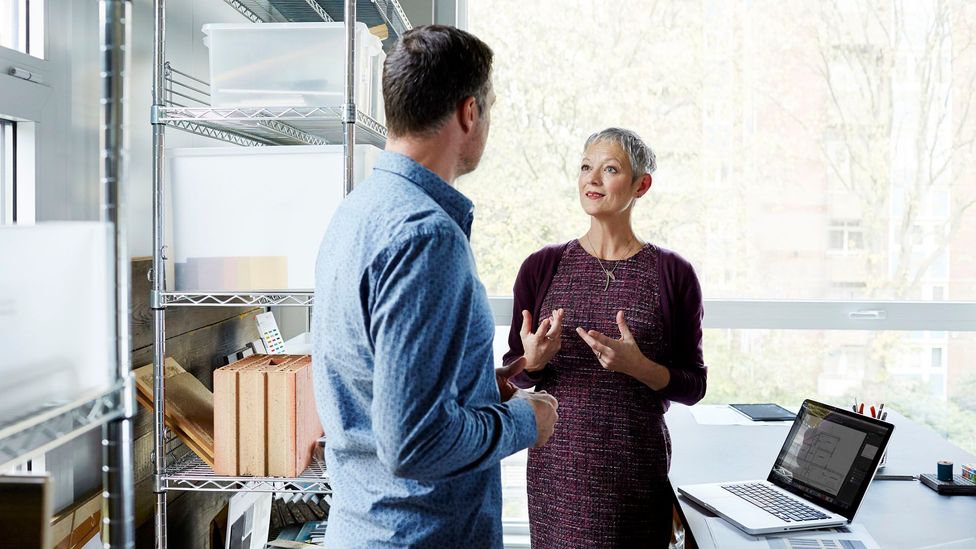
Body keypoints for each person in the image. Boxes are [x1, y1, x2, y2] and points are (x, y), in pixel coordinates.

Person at [311, 25, 559, 548]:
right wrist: (523, 422)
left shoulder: (358, 211)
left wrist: (486, 384)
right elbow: (414, 444)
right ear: (470, 112)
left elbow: (386, 388)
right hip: (419, 535)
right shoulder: (426, 237)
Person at [504, 127, 707, 548]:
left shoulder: (673, 274)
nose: (591, 179)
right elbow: (514, 378)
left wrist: (640, 368)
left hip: (636, 472)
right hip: (558, 476)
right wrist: (534, 361)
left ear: (640, 185)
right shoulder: (542, 267)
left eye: (609, 169)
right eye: (585, 167)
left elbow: (694, 385)